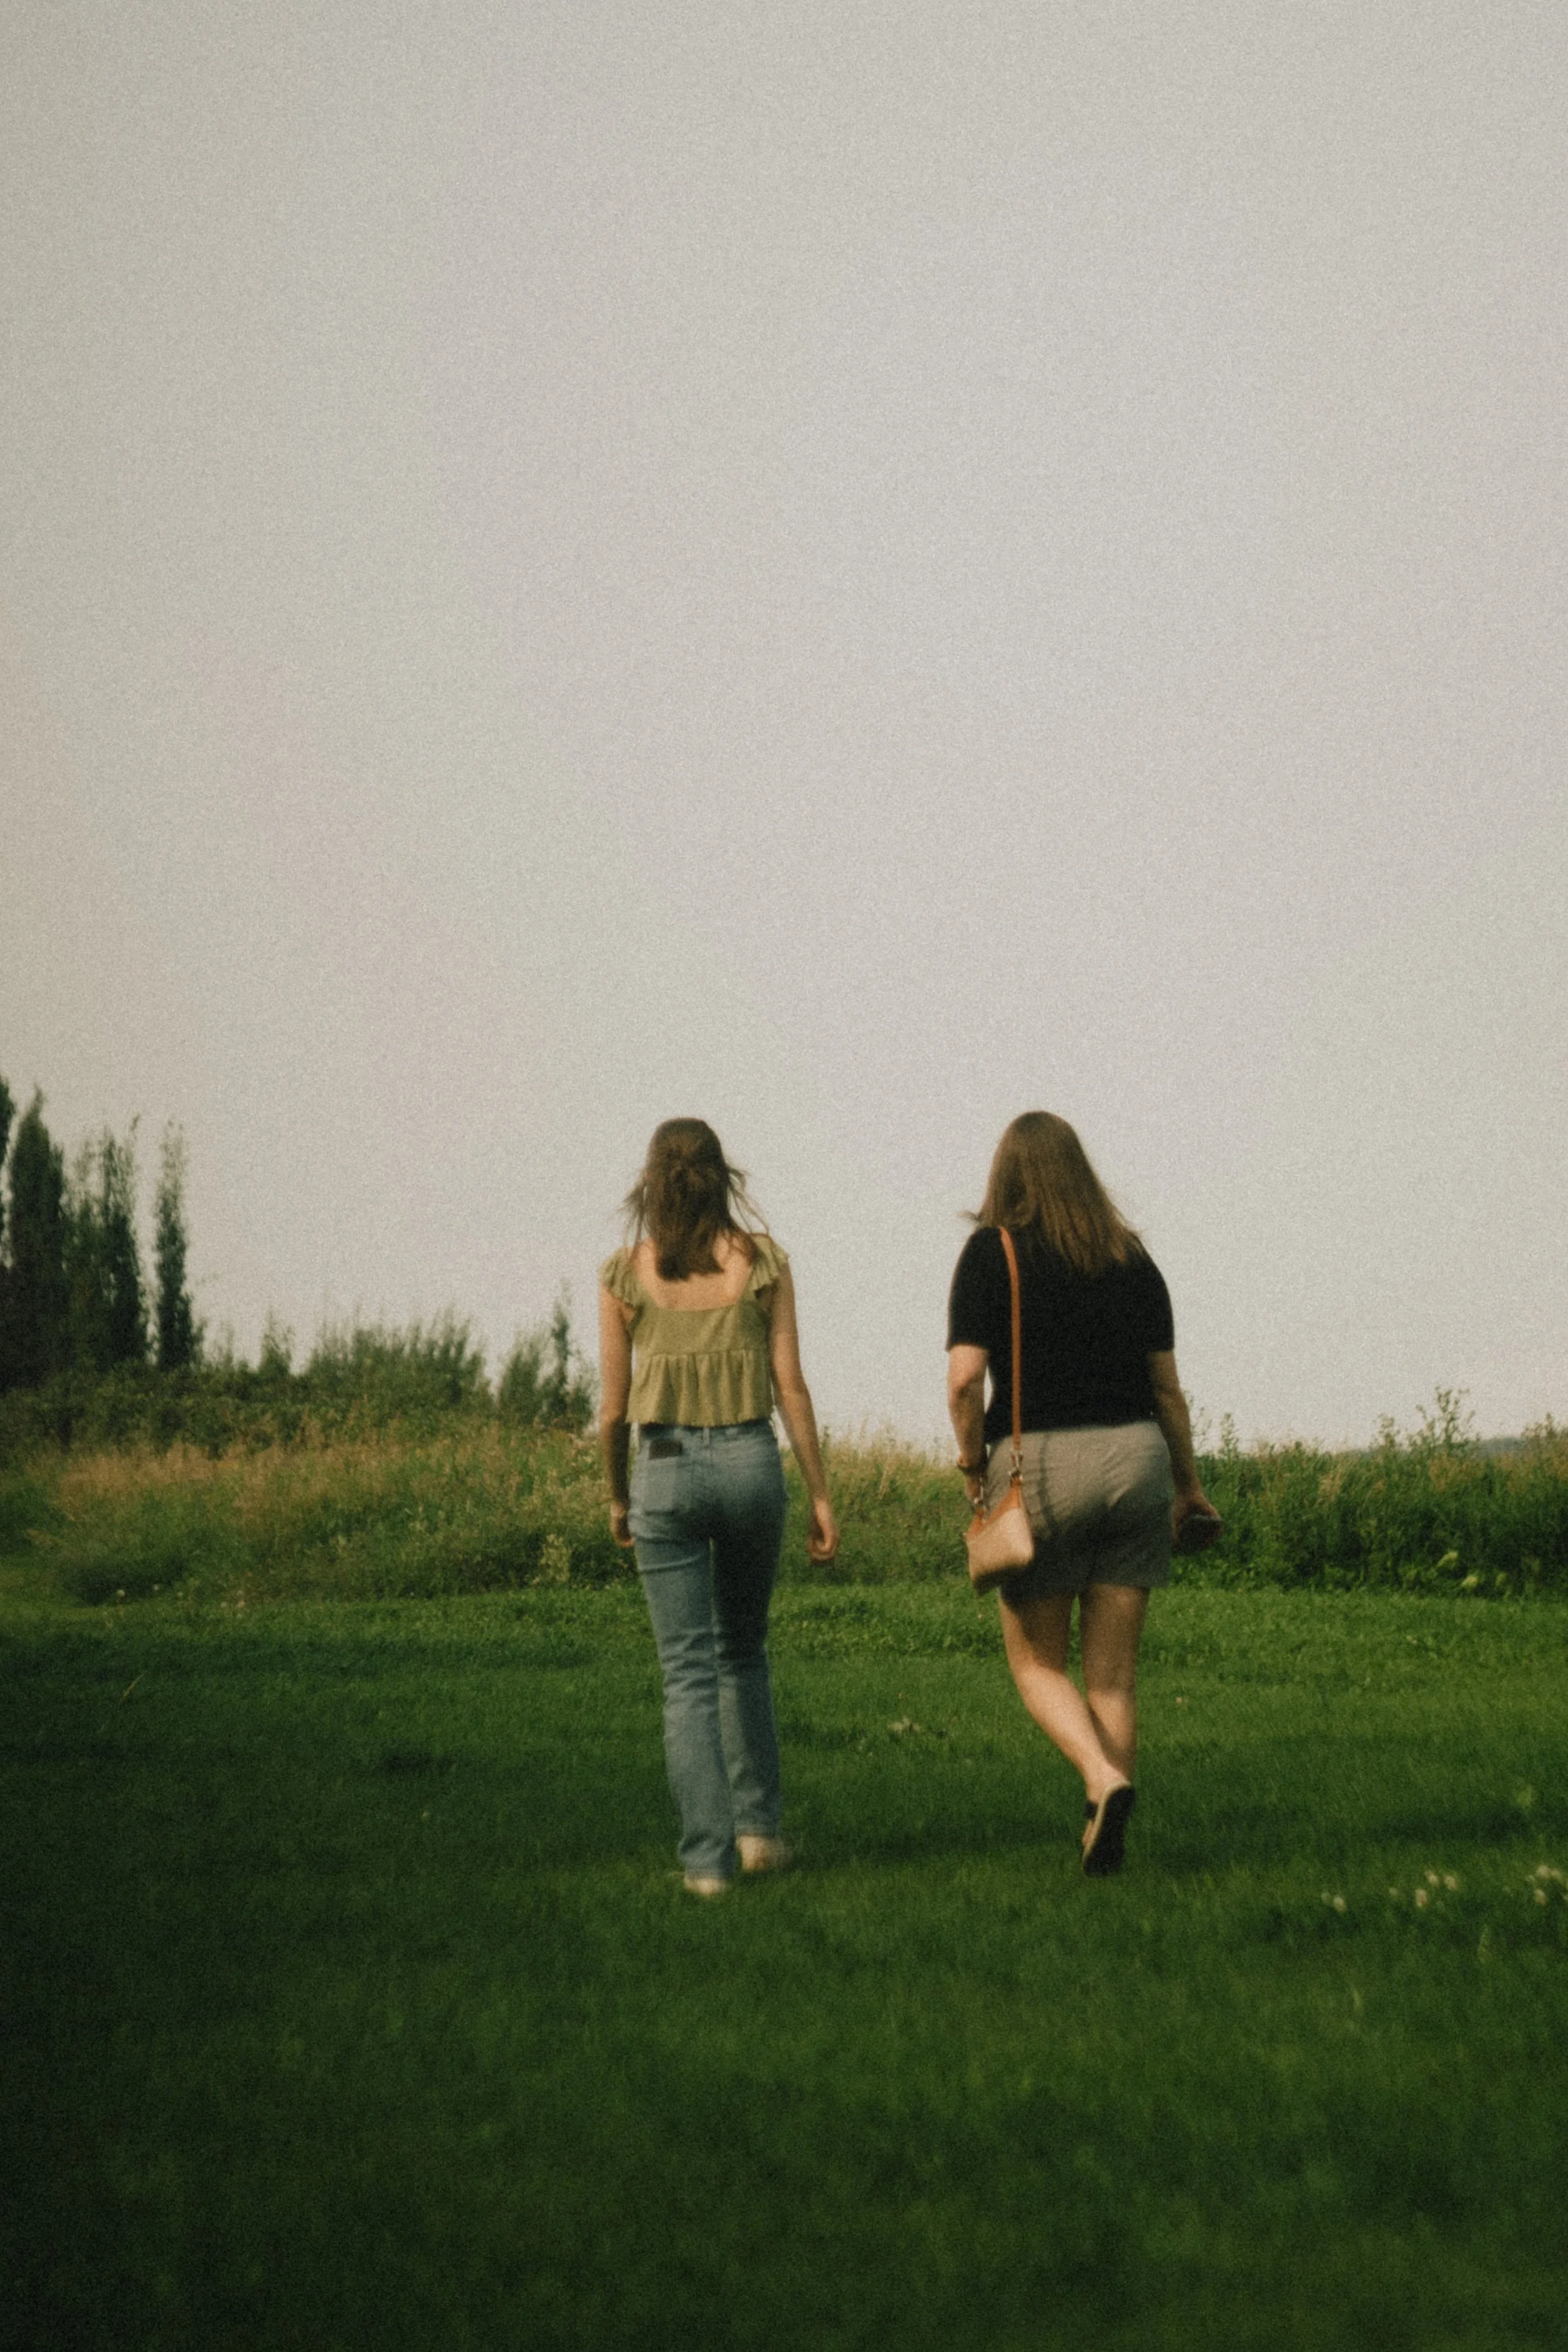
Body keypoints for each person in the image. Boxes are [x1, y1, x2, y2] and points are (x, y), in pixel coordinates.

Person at [946, 1112, 1216, 1877]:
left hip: (1041, 1467)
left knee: (1036, 1665)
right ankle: (1105, 1830)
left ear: (1007, 1175)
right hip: (1137, 1460)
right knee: (1114, 1677)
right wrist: (1187, 1485)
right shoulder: (1131, 1259)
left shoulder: (990, 1254)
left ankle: (1102, 1781)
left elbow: (966, 1379)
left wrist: (972, 1464)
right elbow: (1167, 1389)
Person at [599, 1119, 839, 1897]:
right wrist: (821, 1493)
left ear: (650, 1183)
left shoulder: (622, 1277)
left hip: (662, 1471)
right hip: (748, 1464)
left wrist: (616, 1496)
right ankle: (760, 1835)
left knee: (687, 1674)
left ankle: (706, 1867)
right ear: (722, 1177)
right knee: (744, 1651)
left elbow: (610, 1414)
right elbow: (790, 1386)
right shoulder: (764, 1263)